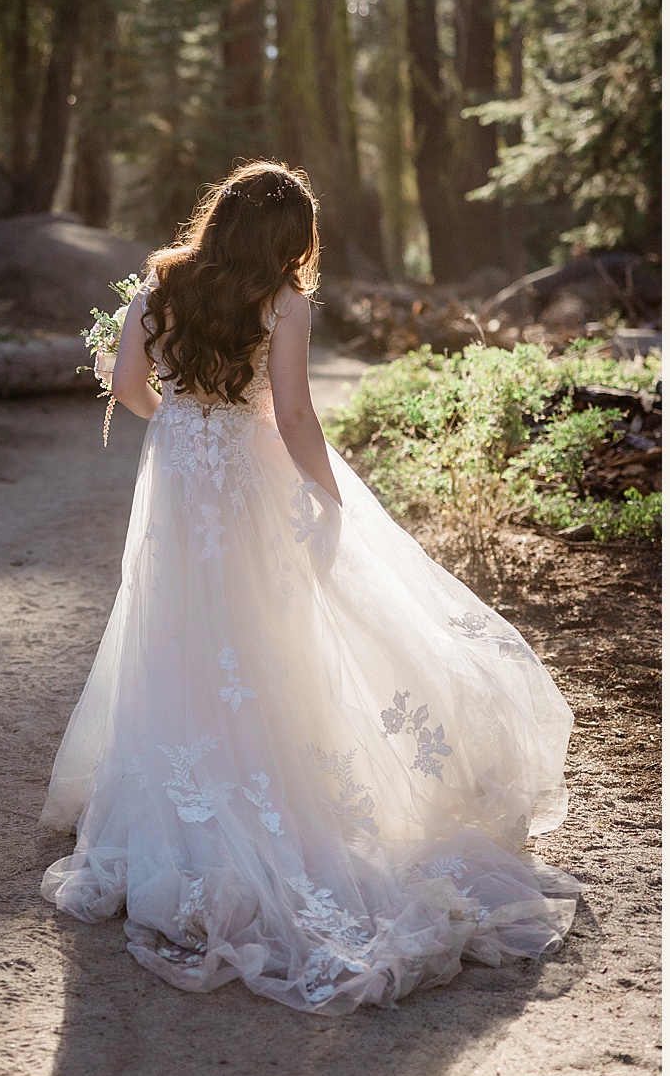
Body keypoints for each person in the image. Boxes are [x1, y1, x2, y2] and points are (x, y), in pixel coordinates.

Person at [42, 161, 580, 1013]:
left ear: (218, 220)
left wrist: (185, 423)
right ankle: (275, 796)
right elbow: (292, 413)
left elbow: (126, 387)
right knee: (264, 636)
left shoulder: (162, 284)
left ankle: (180, 820)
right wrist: (328, 497)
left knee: (178, 633)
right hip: (250, 487)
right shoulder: (282, 304)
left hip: (181, 486)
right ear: (289, 241)